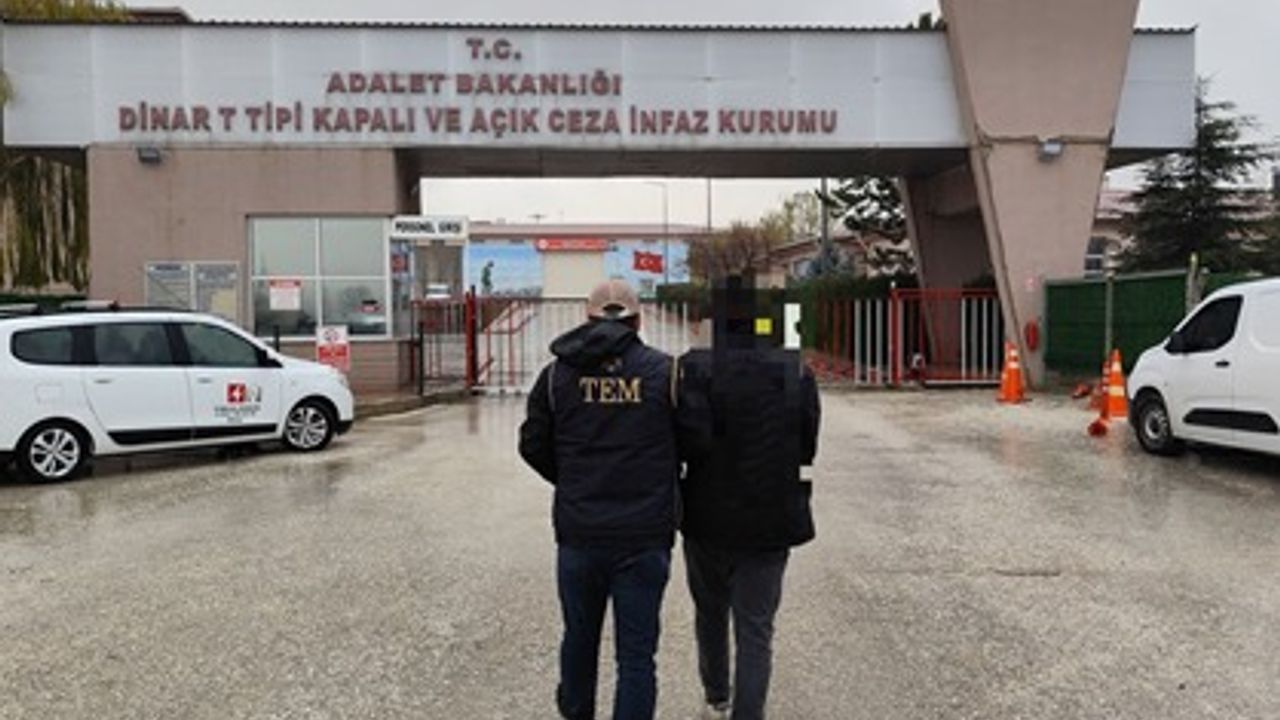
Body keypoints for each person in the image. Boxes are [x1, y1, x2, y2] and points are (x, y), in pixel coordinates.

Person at [519, 279, 680, 720]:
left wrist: (571, 480)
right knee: (636, 655)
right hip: (645, 535)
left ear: (587, 319)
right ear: (638, 321)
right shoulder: (666, 373)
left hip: (581, 532)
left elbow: (532, 444)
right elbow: (691, 440)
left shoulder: (556, 377)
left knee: (579, 638)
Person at [676, 277, 820, 720]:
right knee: (756, 629)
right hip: (771, 517)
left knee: (710, 614)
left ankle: (716, 696)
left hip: (708, 516)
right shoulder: (795, 369)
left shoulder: (695, 368)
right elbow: (807, 444)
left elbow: (688, 440)